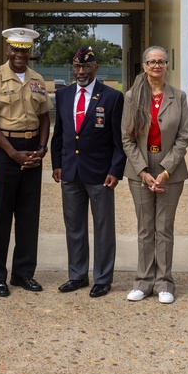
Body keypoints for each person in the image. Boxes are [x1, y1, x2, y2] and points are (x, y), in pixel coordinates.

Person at [0, 27, 51, 298]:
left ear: (29, 52)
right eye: (15, 48)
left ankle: (23, 274)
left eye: (25, 49)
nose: (20, 54)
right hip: (5, 149)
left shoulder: (38, 80)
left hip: (32, 150)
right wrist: (12, 152)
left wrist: (43, 148)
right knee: (0, 215)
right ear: (7, 50)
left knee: (28, 216)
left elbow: (44, 117)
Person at [51, 46, 126, 298]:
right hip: (70, 171)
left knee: (103, 228)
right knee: (74, 227)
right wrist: (56, 164)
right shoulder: (63, 95)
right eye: (76, 67)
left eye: (86, 66)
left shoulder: (112, 97)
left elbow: (119, 140)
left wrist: (116, 170)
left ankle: (103, 278)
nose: (81, 71)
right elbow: (59, 133)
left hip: (100, 173)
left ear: (96, 68)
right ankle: (77, 275)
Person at [121, 46, 188, 304]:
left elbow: (184, 137)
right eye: (152, 62)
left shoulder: (179, 97)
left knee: (164, 228)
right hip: (140, 168)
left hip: (170, 171)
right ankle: (142, 282)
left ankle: (164, 283)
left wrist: (165, 170)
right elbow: (127, 139)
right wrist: (142, 170)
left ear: (167, 65)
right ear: (144, 66)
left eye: (161, 62)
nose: (157, 66)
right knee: (145, 228)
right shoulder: (132, 97)